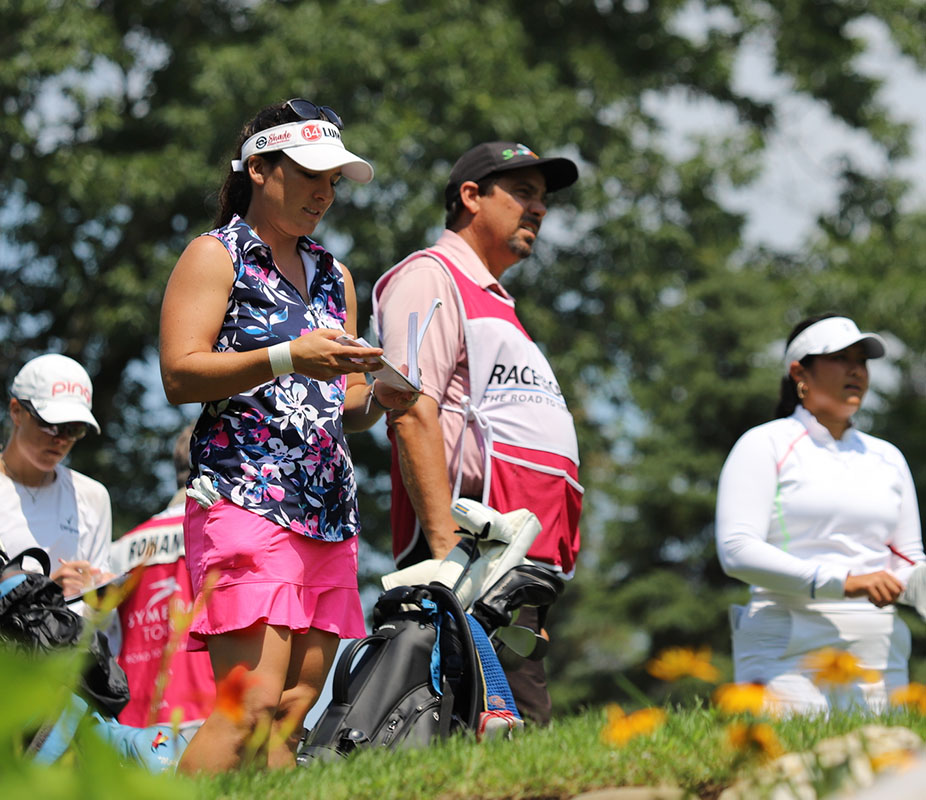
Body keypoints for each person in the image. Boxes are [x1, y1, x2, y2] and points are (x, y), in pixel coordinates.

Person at [159, 99, 417, 773]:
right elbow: (181, 375)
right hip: (244, 499)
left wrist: (377, 398)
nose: (326, 192)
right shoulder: (215, 256)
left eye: (334, 179)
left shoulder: (336, 276)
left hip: (327, 517)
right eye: (311, 175)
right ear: (259, 170)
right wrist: (288, 357)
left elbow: (345, 403)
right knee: (247, 709)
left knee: (290, 720)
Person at [372, 141, 584, 725]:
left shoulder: (497, 302)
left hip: (507, 564)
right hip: (466, 561)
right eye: (522, 193)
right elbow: (411, 408)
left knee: (518, 737)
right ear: (471, 196)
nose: (538, 209)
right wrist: (445, 553)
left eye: (543, 199)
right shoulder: (429, 276)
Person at [715, 313, 925, 714]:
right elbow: (737, 549)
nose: (855, 370)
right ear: (800, 373)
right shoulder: (764, 444)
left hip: (880, 655)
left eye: (861, 360)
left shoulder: (888, 458)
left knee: (888, 775)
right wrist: (845, 581)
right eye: (839, 358)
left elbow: (909, 560)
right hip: (787, 648)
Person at [109, 423, 216, 732]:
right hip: (210, 717)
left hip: (134, 720)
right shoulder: (220, 538)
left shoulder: (123, 548)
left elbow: (103, 635)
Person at [0, 354, 112, 608]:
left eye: (74, 429)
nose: (61, 439)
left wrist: (103, 597)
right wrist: (45, 590)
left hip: (68, 645)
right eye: (50, 425)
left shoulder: (92, 496)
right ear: (16, 411)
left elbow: (97, 618)